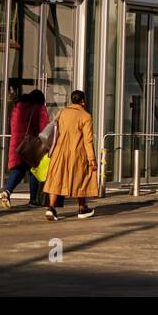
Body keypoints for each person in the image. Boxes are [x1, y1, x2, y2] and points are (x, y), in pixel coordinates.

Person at [43, 90, 96, 221]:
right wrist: (92, 159)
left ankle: (51, 208)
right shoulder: (85, 116)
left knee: (56, 178)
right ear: (83, 101)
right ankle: (82, 208)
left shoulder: (62, 113)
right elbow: (88, 140)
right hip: (76, 152)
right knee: (81, 178)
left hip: (59, 151)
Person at [2, 89, 49, 209]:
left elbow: (12, 124)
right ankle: (33, 200)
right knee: (34, 170)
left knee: (18, 169)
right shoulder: (39, 109)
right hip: (31, 144)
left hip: (17, 143)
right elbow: (44, 128)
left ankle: (7, 191)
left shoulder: (17, 108)